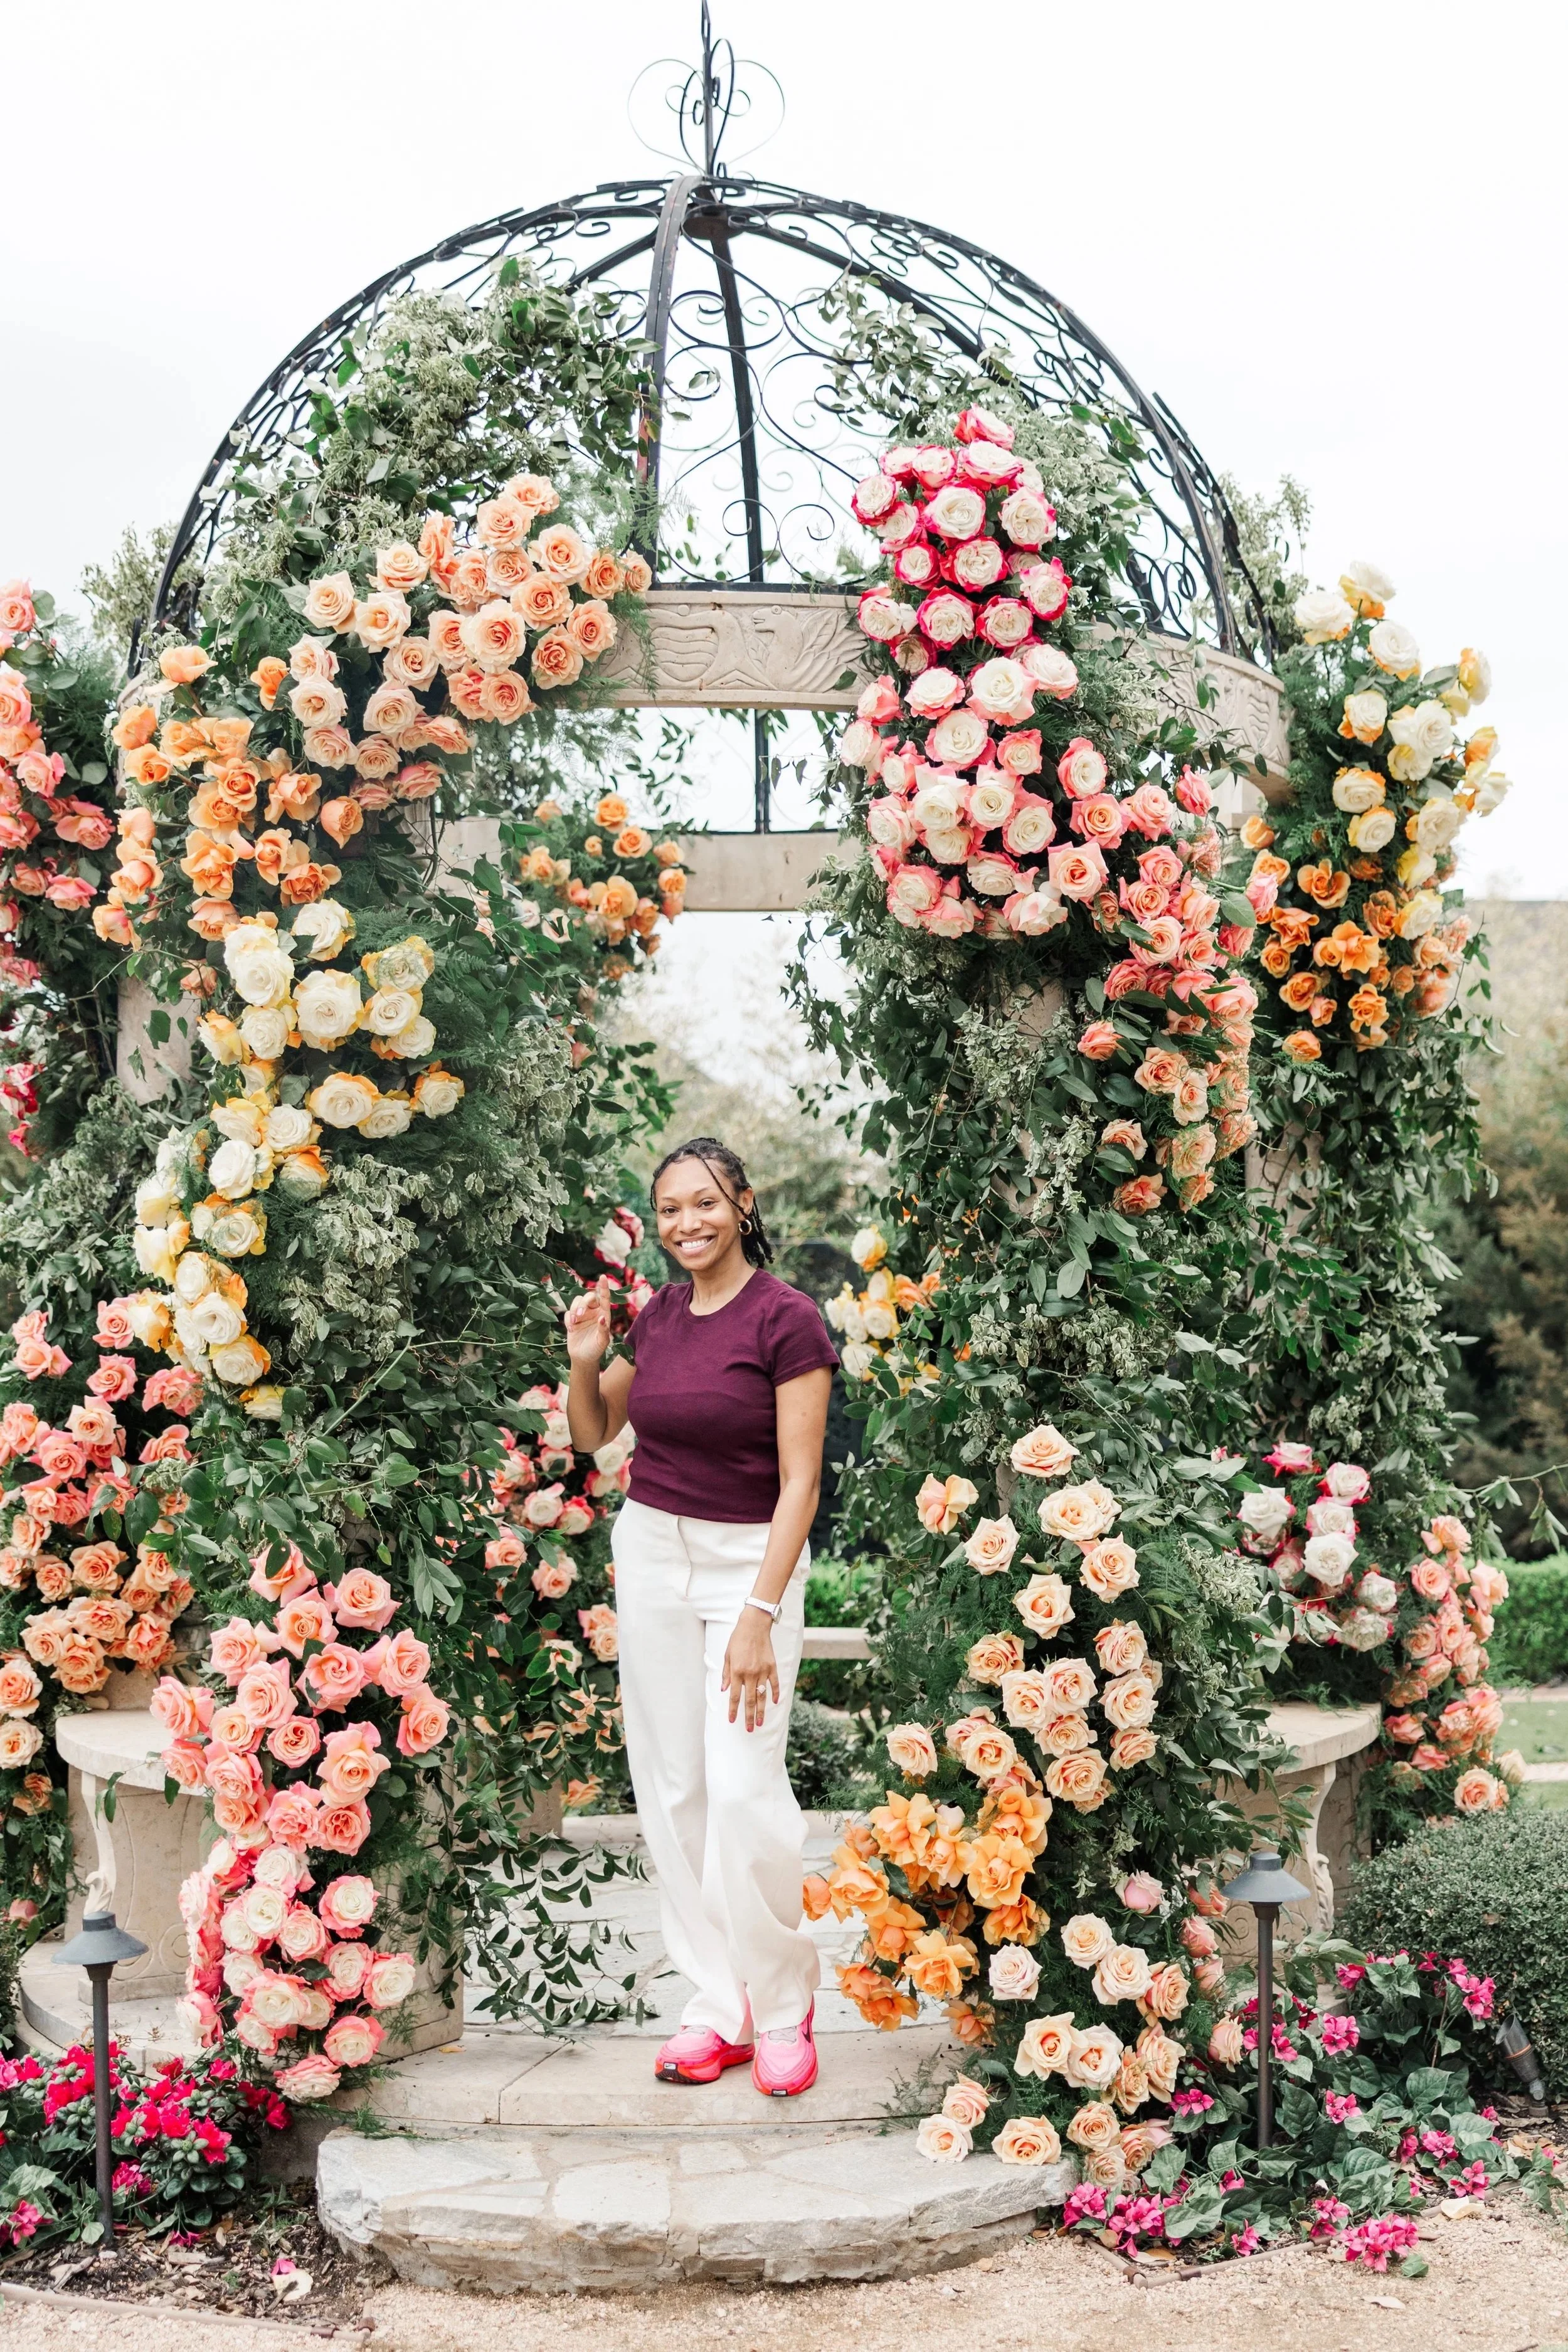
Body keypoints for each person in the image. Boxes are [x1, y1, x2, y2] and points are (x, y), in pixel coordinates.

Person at [564, 1136, 838, 2097]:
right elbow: (597, 1438)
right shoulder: (661, 1316)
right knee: (673, 1784)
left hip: (747, 1566)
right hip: (651, 1553)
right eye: (669, 1208)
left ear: (744, 1202)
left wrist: (761, 1610)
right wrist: (586, 1360)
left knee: (741, 1785)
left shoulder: (788, 1320)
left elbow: (803, 1480)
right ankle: (717, 2004)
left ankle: (783, 2003)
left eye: (704, 1202)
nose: (686, 1222)